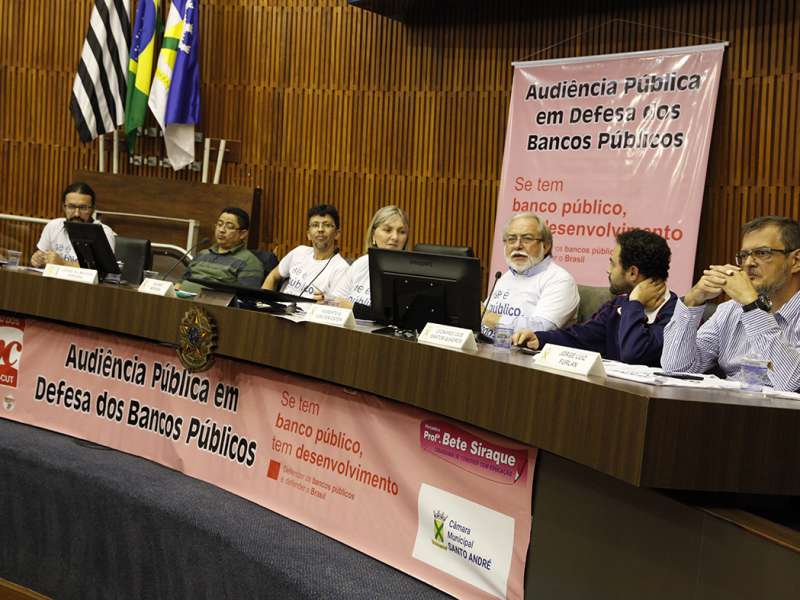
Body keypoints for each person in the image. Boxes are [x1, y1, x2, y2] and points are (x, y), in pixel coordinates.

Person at [661, 216, 800, 390]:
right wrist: (692, 301)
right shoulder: (730, 310)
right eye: (744, 255)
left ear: (795, 261)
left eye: (762, 253)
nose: (748, 263)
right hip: (726, 411)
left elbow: (791, 383)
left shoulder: (745, 306)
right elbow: (676, 369)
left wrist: (752, 306)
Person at [512, 229, 676, 366]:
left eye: (612, 263)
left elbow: (634, 354)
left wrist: (635, 304)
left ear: (632, 272)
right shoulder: (616, 306)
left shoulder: (676, 316)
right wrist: (540, 338)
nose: (608, 270)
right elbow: (582, 337)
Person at [482, 212, 579, 339]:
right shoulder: (505, 277)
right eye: (511, 239)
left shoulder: (560, 280)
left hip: (526, 356)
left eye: (527, 238)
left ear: (546, 245)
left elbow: (539, 330)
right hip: (487, 348)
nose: (517, 245)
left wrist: (489, 318)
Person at [320, 205, 409, 317]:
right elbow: (336, 300)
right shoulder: (362, 263)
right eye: (387, 230)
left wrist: (352, 307)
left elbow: (392, 318)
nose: (395, 237)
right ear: (373, 235)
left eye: (402, 232)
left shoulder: (407, 273)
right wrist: (325, 299)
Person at [262, 204, 349, 298]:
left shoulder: (341, 269)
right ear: (308, 234)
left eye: (327, 225)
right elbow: (273, 276)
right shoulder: (299, 252)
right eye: (315, 225)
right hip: (279, 309)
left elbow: (337, 305)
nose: (320, 229)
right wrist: (261, 302)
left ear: (337, 234)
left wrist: (326, 301)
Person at [178, 207, 264, 292]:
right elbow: (181, 283)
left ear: (242, 234)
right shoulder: (203, 254)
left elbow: (246, 299)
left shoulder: (249, 262)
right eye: (219, 224)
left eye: (229, 226)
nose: (221, 230)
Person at [31, 182, 115, 268]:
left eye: (83, 208)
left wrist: (63, 263)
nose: (77, 214)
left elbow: (102, 269)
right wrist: (38, 259)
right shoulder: (53, 226)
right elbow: (42, 257)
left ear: (92, 209)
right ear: (64, 207)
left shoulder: (103, 232)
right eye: (71, 207)